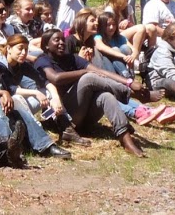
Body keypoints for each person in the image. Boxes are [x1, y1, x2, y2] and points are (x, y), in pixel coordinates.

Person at [33, 29, 145, 157]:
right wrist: (83, 72)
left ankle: (126, 140)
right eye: (56, 40)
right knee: (88, 78)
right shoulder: (42, 60)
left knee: (106, 96)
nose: (61, 43)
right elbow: (55, 78)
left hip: (84, 118)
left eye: (63, 40)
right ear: (46, 45)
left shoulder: (72, 58)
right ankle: (129, 94)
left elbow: (100, 72)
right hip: (62, 117)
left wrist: (129, 82)